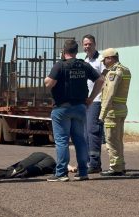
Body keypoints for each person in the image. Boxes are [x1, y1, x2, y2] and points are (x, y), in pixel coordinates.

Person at [44, 39, 104, 182]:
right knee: (80, 140)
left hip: (61, 108)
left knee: (62, 141)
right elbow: (101, 80)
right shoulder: (84, 65)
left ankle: (61, 173)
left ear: (64, 51)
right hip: (80, 107)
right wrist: (91, 98)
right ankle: (83, 172)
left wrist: (48, 79)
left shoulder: (59, 66)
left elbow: (49, 83)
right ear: (77, 51)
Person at [99, 48, 131, 176]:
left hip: (112, 111)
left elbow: (109, 94)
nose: (103, 62)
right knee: (118, 139)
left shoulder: (114, 72)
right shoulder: (125, 69)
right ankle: (120, 166)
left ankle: (115, 167)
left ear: (110, 58)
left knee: (111, 140)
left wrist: (102, 113)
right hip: (121, 109)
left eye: (104, 60)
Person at [82, 34, 105, 174]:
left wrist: (95, 97)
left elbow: (104, 80)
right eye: (85, 44)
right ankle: (88, 162)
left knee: (93, 131)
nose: (87, 46)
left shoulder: (100, 59)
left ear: (95, 44)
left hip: (96, 100)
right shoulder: (85, 60)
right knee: (84, 133)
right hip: (86, 101)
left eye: (90, 44)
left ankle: (95, 163)